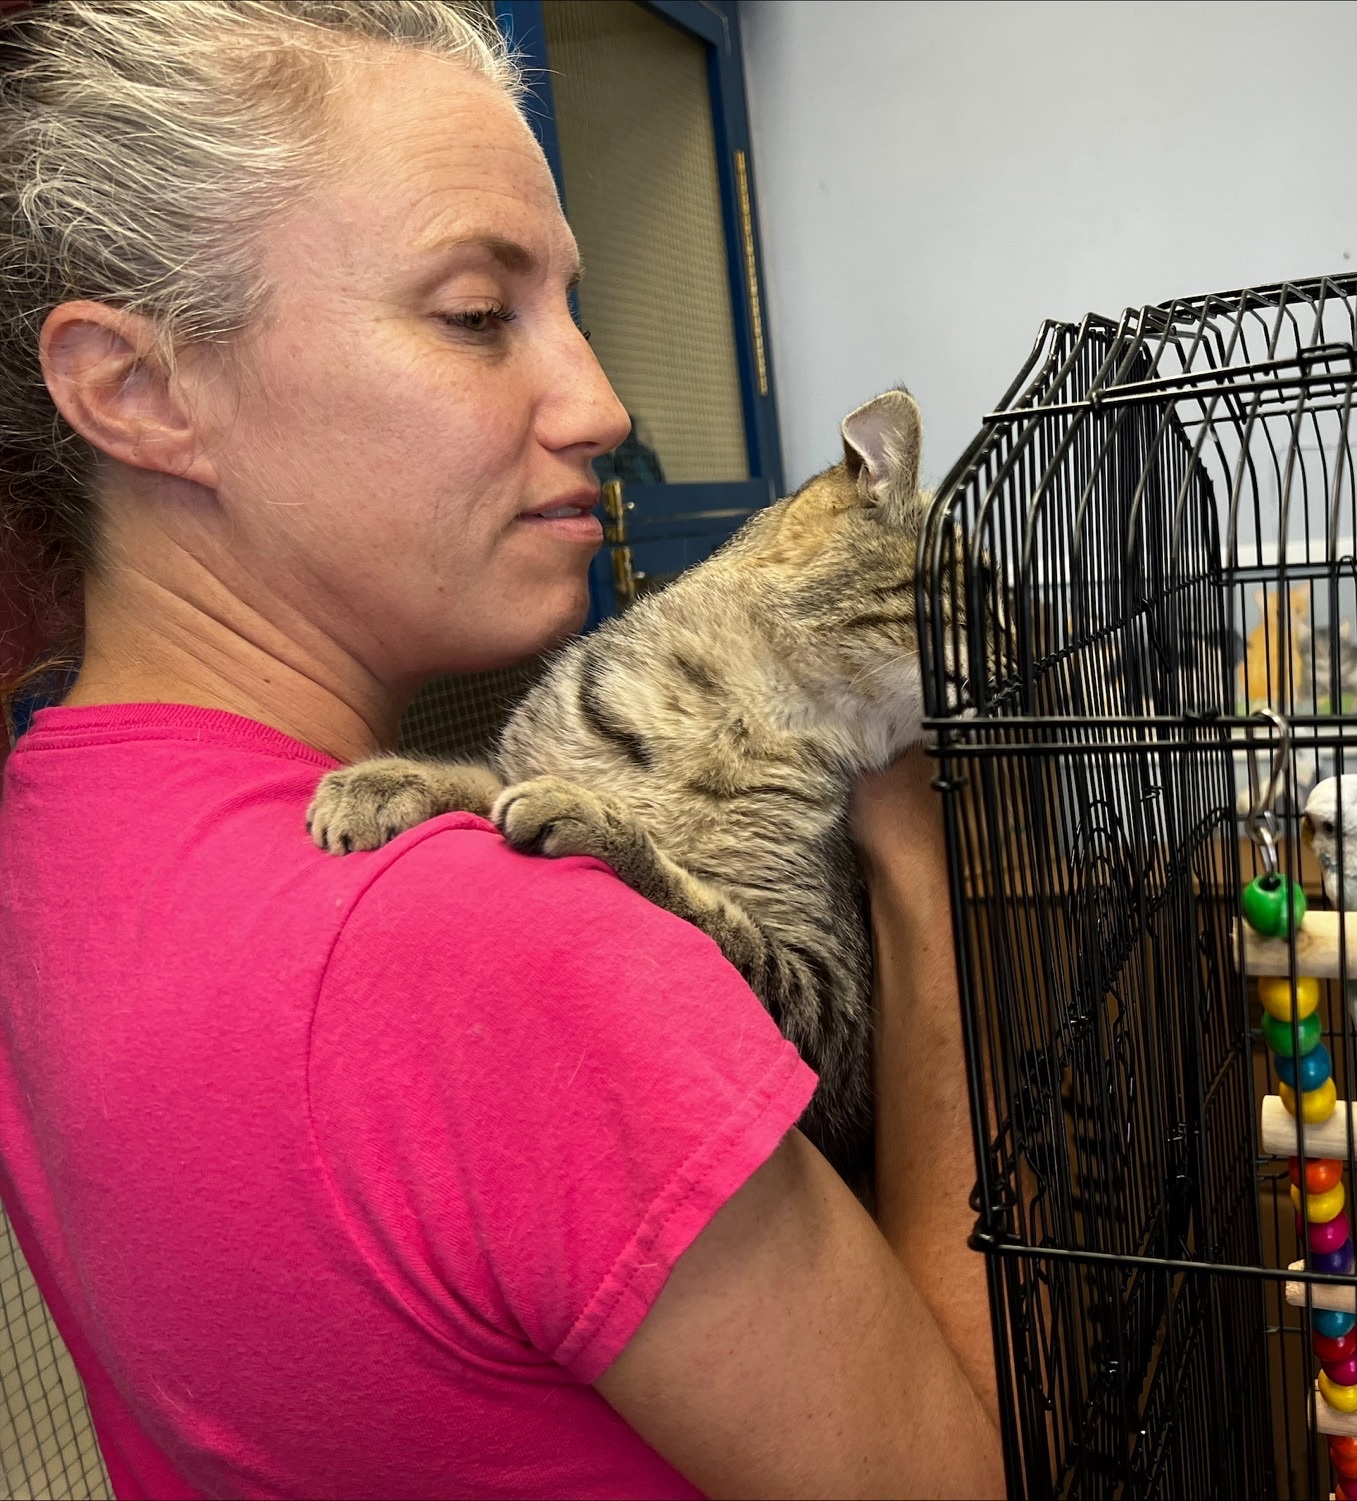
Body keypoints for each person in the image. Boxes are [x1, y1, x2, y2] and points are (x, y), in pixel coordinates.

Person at [0, 3, 1001, 1496]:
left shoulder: (52, 835)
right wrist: (931, 867)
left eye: (569, 308)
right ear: (136, 389)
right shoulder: (509, 955)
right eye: (477, 314)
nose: (602, 405)